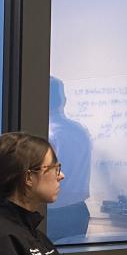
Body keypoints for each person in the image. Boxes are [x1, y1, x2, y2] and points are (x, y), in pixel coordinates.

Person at [46, 76, 93, 242]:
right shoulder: (81, 130)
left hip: (52, 213)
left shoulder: (46, 134)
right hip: (79, 211)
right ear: (64, 100)